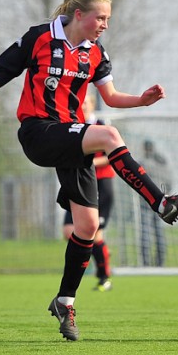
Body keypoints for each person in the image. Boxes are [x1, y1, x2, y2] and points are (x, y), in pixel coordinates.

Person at [0, 0, 178, 341]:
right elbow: (2, 69)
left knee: (88, 226)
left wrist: (141, 100)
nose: (105, 25)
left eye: (108, 19)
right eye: (101, 18)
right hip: (39, 132)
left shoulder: (95, 53)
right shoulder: (41, 37)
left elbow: (110, 96)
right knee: (108, 135)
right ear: (79, 15)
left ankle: (65, 301)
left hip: (72, 138)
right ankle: (161, 202)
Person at [62, 94, 115, 292]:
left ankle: (104, 277)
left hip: (101, 184)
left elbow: (112, 156)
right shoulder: (72, 127)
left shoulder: (101, 126)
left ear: (92, 105)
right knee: (69, 230)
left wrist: (88, 163)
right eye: (78, 104)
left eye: (85, 103)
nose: (81, 107)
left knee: (96, 233)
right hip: (79, 184)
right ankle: (86, 267)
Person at [139, 140, 170, 267]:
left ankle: (146, 263)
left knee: (145, 231)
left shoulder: (142, 163)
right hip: (162, 200)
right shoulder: (162, 163)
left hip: (146, 200)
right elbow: (169, 181)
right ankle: (160, 262)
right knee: (159, 232)